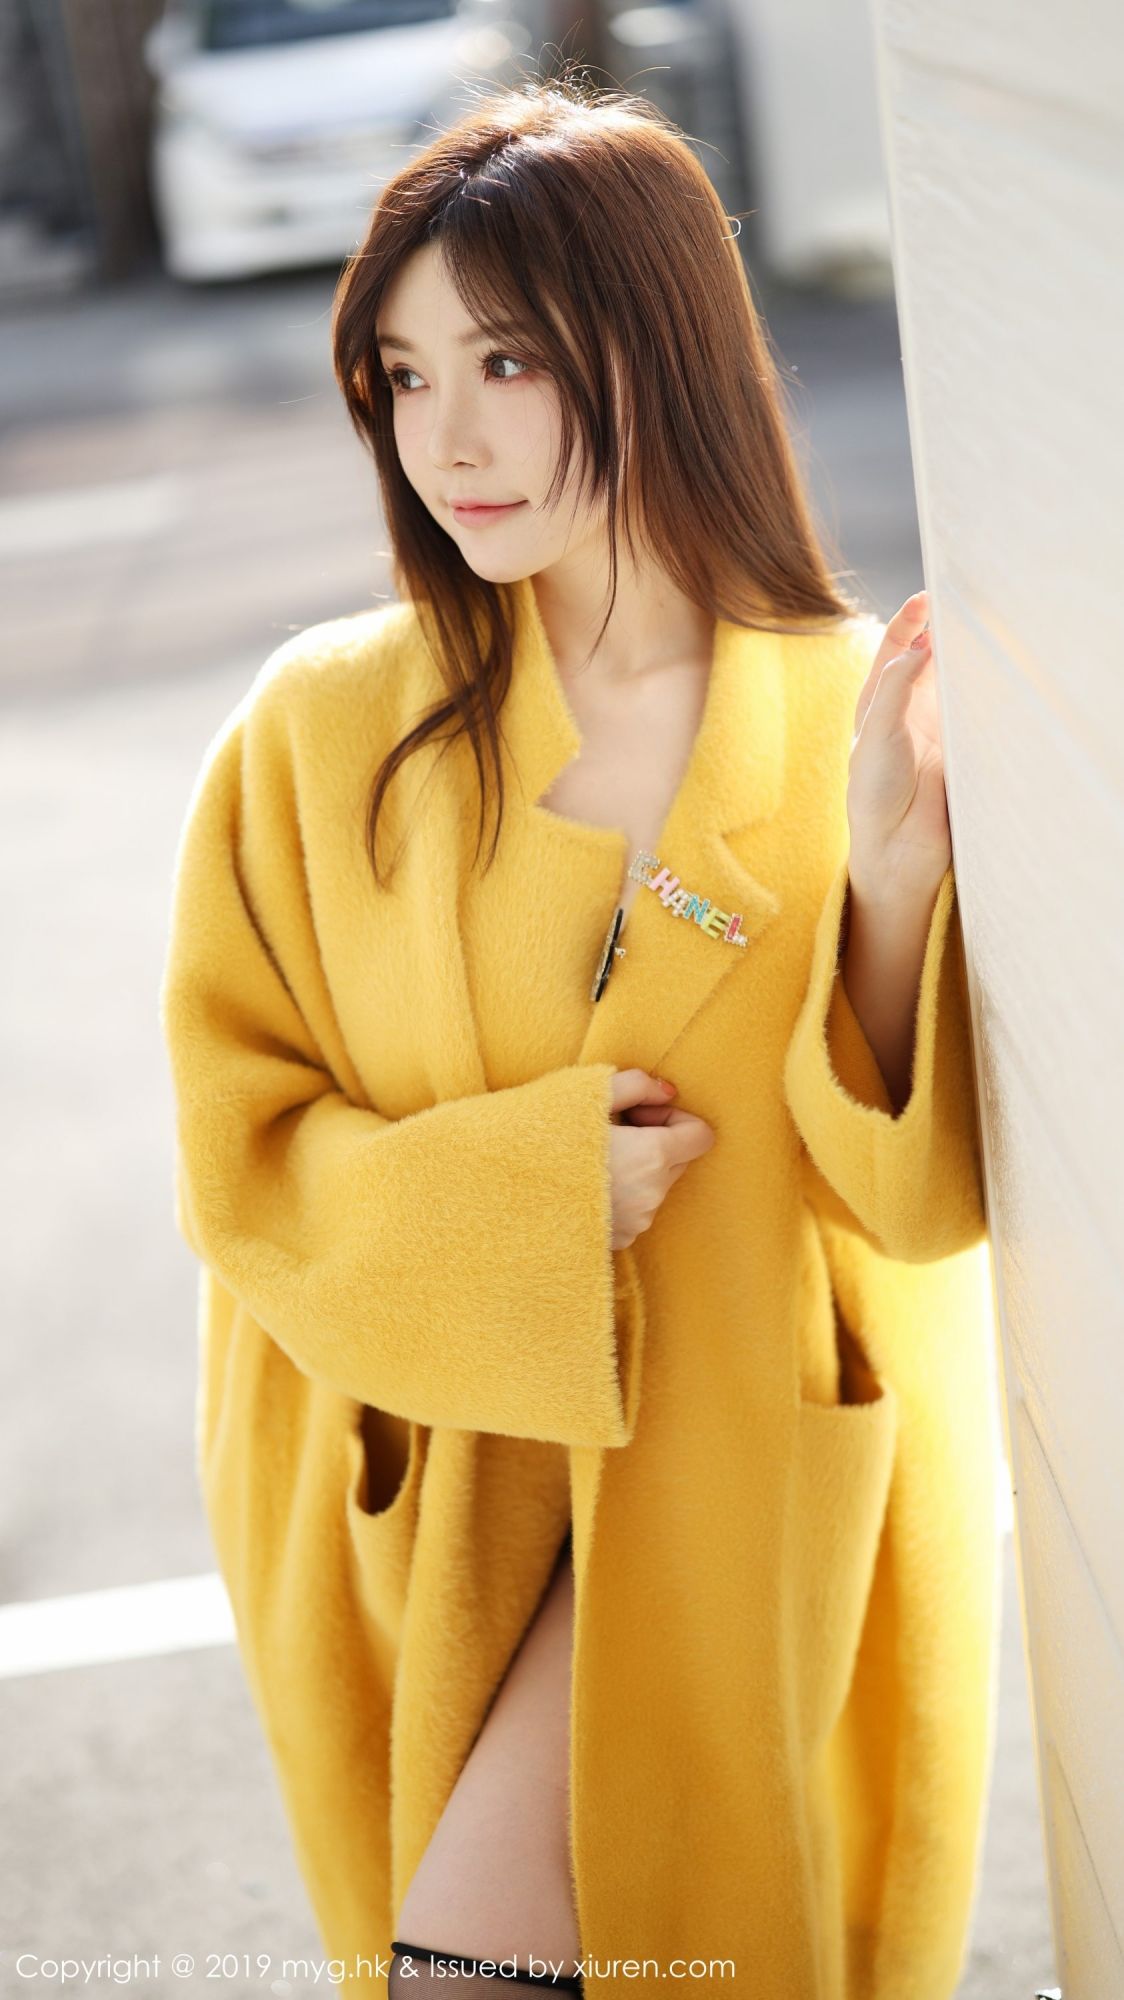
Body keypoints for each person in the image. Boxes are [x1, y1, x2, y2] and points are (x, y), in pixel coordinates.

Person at [159, 67, 998, 2000]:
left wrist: (888, 887)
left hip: (726, 1473)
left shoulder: (845, 714)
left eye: (510, 363)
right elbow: (237, 1149)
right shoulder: (320, 731)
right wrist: (533, 1198)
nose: (446, 437)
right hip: (432, 1479)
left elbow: (908, 1206)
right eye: (404, 374)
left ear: (659, 347)